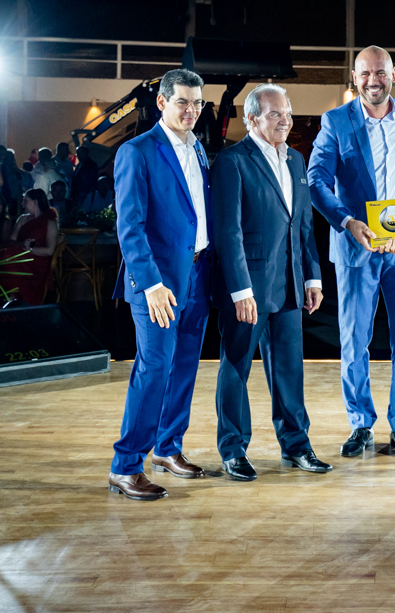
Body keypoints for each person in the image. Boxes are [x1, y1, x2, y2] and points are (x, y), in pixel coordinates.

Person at [307, 45, 395, 459]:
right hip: (357, 245)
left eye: (380, 72)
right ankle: (360, 424)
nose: (373, 81)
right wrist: (347, 221)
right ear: (354, 77)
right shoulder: (335, 121)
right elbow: (316, 180)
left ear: (394, 75)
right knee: (354, 341)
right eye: (365, 73)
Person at [212, 84, 330, 481]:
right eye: (275, 114)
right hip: (249, 289)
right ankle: (233, 450)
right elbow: (228, 231)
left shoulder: (296, 159)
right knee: (236, 368)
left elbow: (304, 225)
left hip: (291, 285)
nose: (286, 120)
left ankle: (296, 446)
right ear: (252, 119)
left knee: (289, 370)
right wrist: (240, 290)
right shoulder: (232, 161)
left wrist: (312, 276)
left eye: (288, 113)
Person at [108, 69, 213, 501]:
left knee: (184, 366)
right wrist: (150, 283)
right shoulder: (137, 151)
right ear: (162, 103)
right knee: (154, 368)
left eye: (197, 103)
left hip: (198, 274)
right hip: (158, 282)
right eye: (182, 102)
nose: (191, 111)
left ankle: (168, 448)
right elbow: (130, 227)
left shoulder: (198, 148)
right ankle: (126, 465)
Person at [0, 189, 58, 305]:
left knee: (10, 256)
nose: (22, 204)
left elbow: (50, 250)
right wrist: (23, 244)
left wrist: (30, 249)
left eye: (25, 201)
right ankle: (11, 295)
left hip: (38, 259)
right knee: (5, 253)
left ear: (35, 202)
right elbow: (12, 240)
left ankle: (19, 297)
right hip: (20, 253)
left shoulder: (50, 222)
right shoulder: (22, 219)